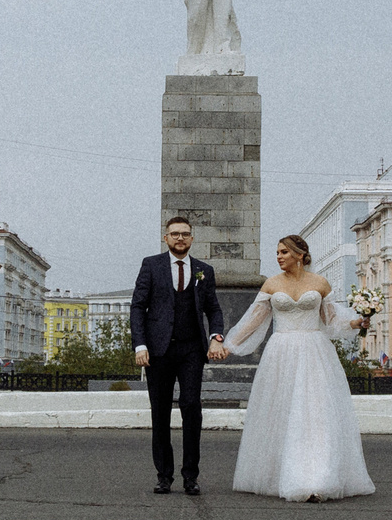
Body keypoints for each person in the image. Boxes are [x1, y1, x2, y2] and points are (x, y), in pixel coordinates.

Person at [224, 234, 374, 502]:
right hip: (281, 352)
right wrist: (228, 344)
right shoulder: (271, 285)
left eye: (284, 252)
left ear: (300, 255)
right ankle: (279, 473)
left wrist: (357, 323)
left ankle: (317, 476)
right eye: (278, 252)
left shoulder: (320, 283)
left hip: (314, 350)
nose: (279, 256)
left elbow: (330, 319)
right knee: (280, 410)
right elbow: (254, 320)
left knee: (315, 413)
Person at [130, 215, 227, 495]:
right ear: (166, 238)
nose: (180, 238)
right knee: (160, 413)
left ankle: (190, 476)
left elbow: (214, 309)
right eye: (175, 234)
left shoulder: (204, 270)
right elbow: (138, 307)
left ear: (192, 238)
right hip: (158, 351)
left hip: (191, 350)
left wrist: (215, 337)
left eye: (185, 234)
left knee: (191, 408)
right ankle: (164, 475)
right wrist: (140, 345)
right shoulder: (151, 266)